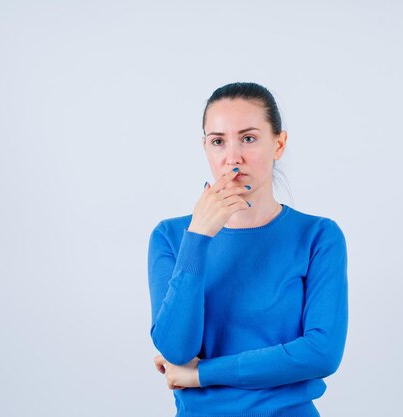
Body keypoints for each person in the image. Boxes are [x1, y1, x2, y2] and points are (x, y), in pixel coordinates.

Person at [147, 82, 348, 417]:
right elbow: (177, 349)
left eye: (249, 138)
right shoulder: (171, 236)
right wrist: (198, 237)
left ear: (279, 144)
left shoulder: (318, 236)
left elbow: (321, 353)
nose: (232, 158)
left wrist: (202, 375)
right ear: (205, 147)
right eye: (218, 141)